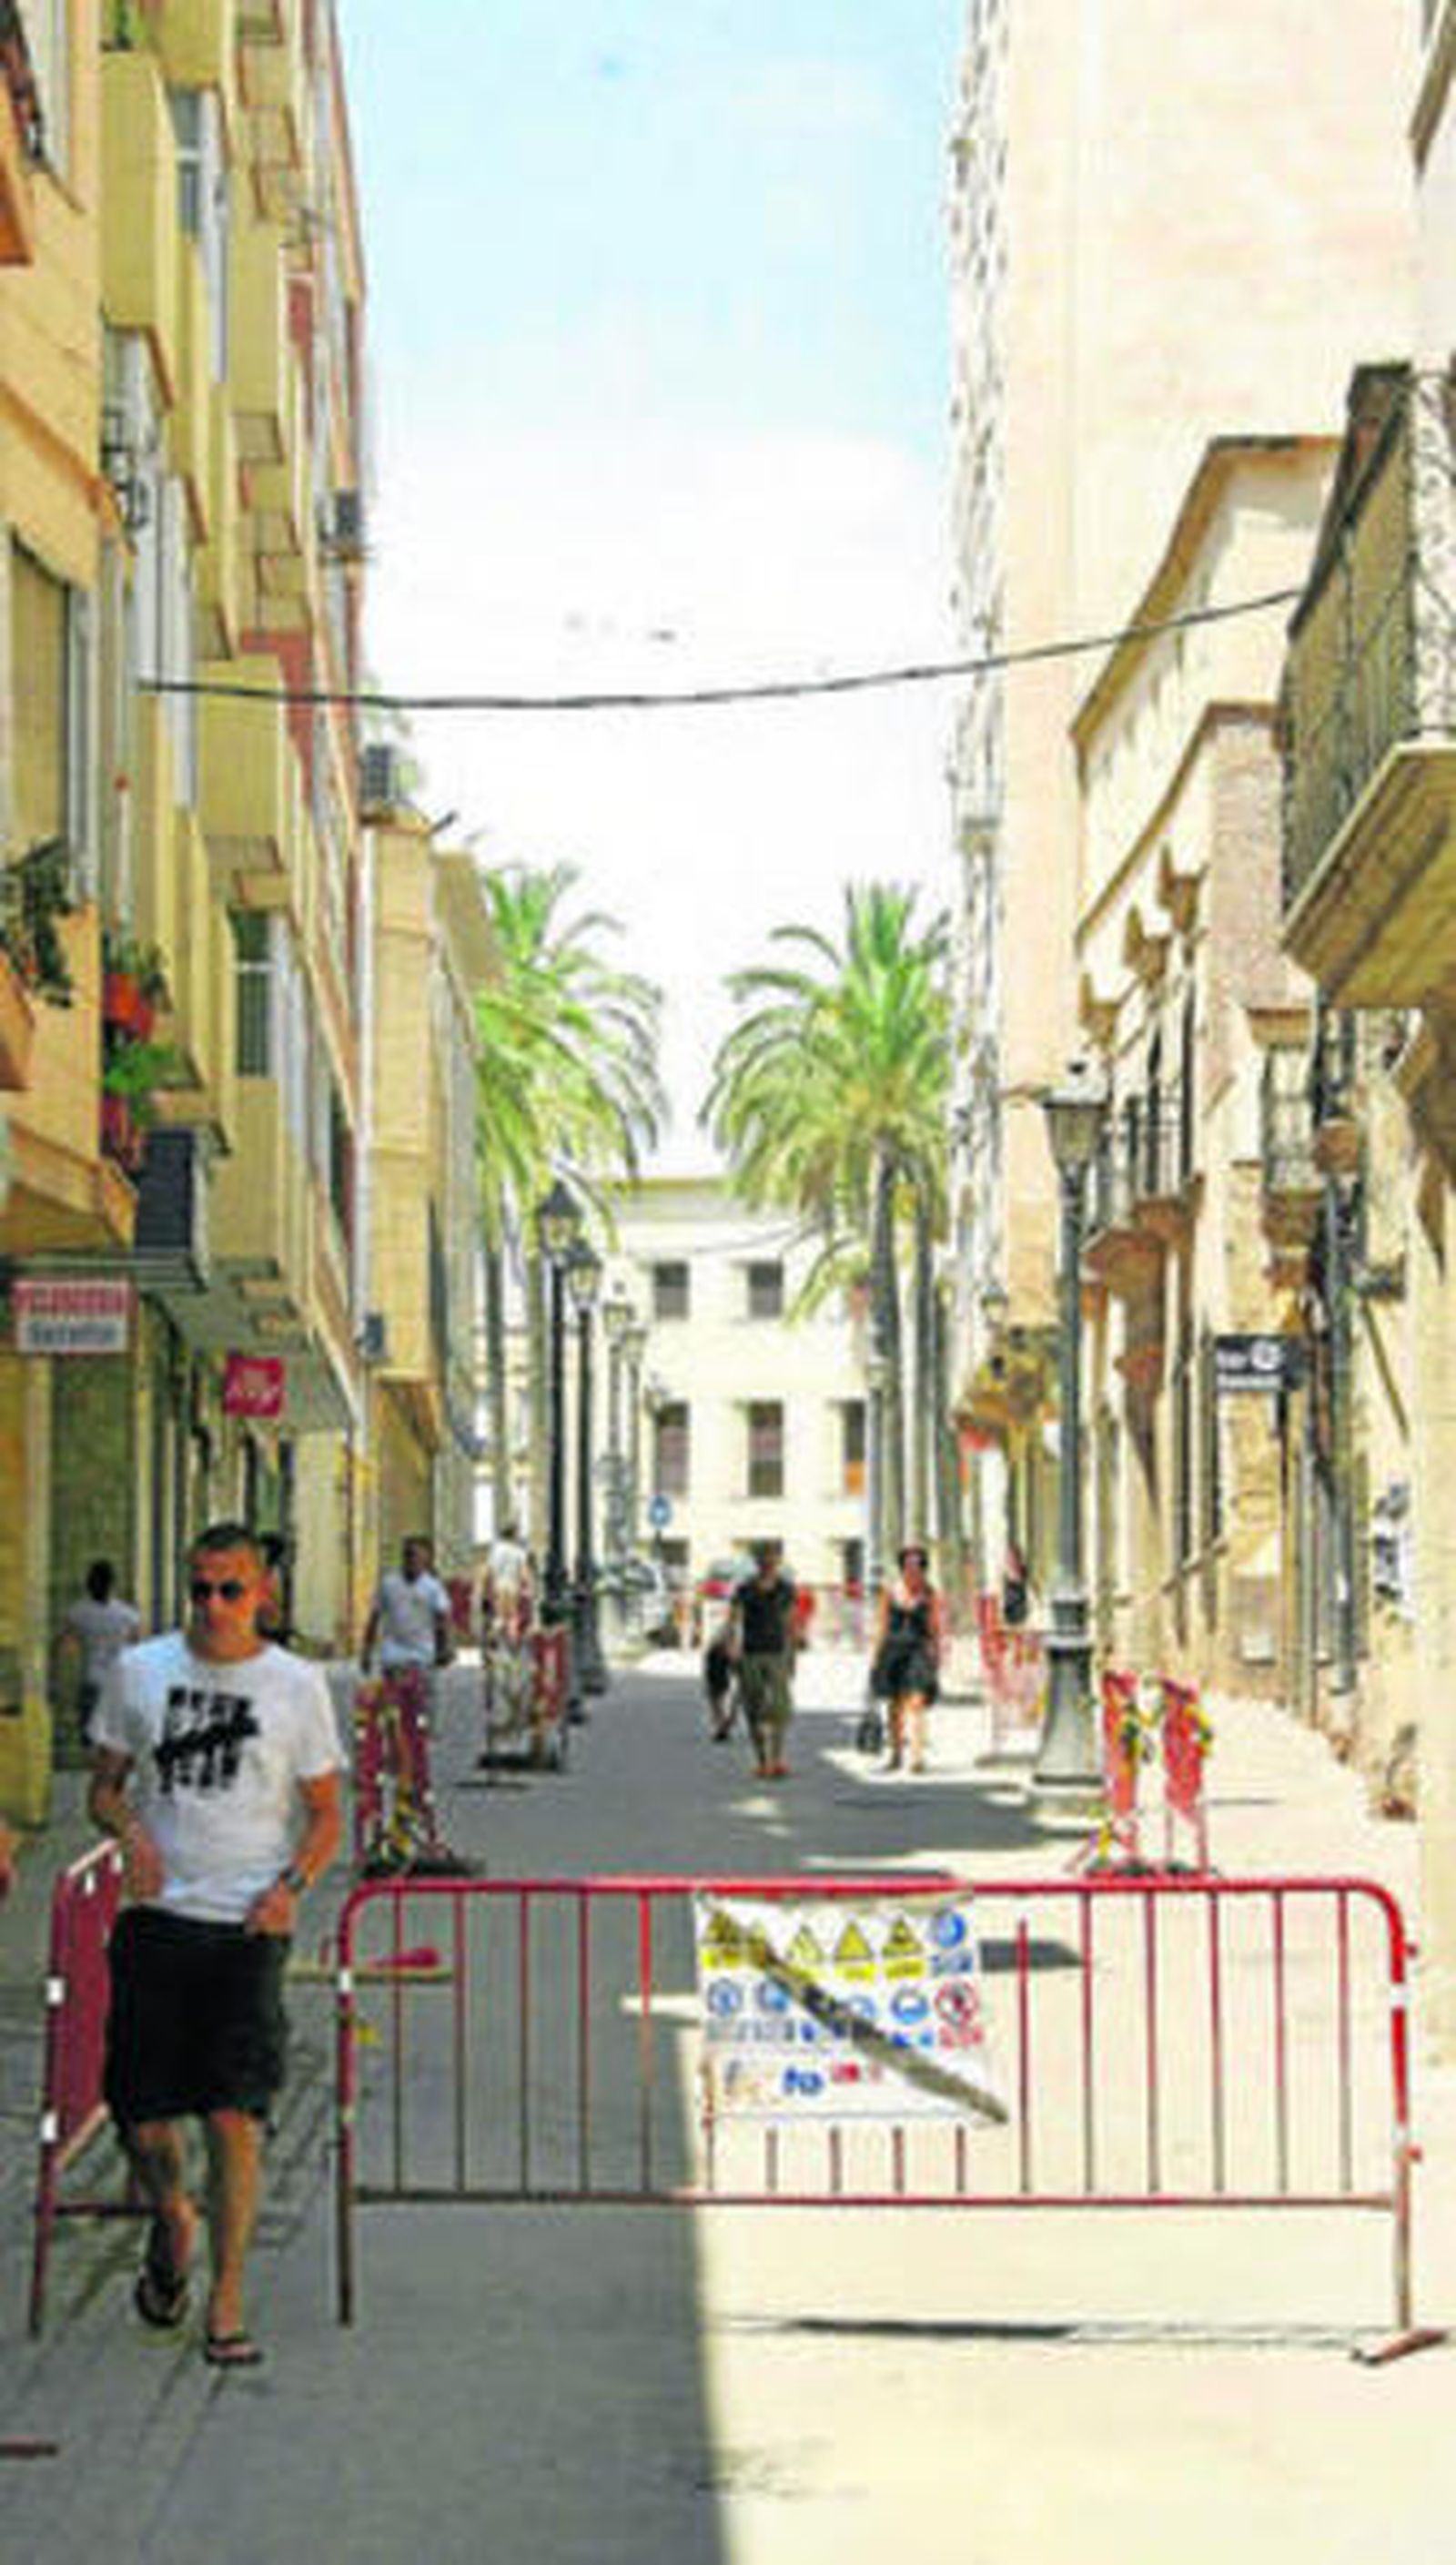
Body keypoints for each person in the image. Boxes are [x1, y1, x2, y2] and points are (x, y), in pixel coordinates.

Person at [87, 1522, 343, 2368]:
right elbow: (104, 1789)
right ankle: (172, 2216)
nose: (214, 1607)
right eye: (200, 1588)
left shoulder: (296, 1687)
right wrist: (131, 1835)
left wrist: (290, 1891)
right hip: (158, 1922)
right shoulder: (141, 1671)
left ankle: (226, 2304)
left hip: (245, 1926)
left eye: (231, 1590)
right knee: (144, 2121)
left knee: (236, 2117)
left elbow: (327, 1814)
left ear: (263, 1592)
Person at [870, 1543, 945, 1774]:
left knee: (917, 1702)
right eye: (909, 1566)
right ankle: (895, 1754)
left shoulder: (930, 1594)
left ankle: (917, 1757)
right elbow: (881, 1626)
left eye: (918, 1566)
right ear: (902, 1568)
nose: (913, 1571)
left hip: (918, 1652)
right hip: (893, 1652)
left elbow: (934, 1627)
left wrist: (936, 1654)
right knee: (894, 1705)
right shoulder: (890, 1592)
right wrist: (875, 1657)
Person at [727, 1540, 799, 1780]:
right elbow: (734, 1620)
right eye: (764, 1558)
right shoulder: (745, 1589)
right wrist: (732, 1645)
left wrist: (792, 1655)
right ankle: (761, 1760)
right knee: (754, 1708)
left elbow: (790, 1624)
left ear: (779, 1561)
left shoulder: (786, 1589)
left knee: (779, 1709)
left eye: (773, 1558)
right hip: (751, 1653)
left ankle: (777, 1760)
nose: (769, 1563)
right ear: (757, 1562)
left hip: (777, 1653)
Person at [58, 1559, 140, 1747]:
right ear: (113, 1584)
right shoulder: (128, 1615)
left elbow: (66, 1648)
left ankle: (94, 1768)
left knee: (90, 1736)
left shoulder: (78, 1612)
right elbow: (138, 1649)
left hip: (92, 1680)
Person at [361, 1535, 453, 1688]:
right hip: (393, 1655)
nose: (413, 1561)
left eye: (418, 1557)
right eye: (409, 1555)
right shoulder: (389, 1584)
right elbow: (374, 1617)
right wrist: (367, 1651)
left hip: (422, 1655)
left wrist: (443, 1649)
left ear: (426, 1561)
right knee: (393, 1702)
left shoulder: (433, 1588)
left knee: (417, 1700)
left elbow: (442, 1620)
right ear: (403, 1557)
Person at [702, 1617, 736, 1742]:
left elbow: (709, 1663)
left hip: (717, 1679)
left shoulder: (718, 1647)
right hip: (718, 1678)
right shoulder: (720, 1647)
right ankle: (722, 1727)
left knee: (717, 1704)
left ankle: (722, 1727)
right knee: (718, 1704)